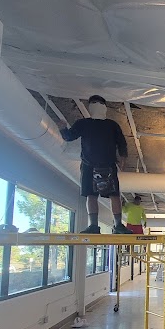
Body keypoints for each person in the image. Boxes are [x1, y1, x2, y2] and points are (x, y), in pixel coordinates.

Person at [59, 95, 132, 234]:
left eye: (99, 103)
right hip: (89, 164)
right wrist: (63, 128)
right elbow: (69, 136)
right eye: (94, 103)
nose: (97, 105)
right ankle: (94, 225)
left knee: (114, 195)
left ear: (104, 107)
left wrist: (123, 157)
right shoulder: (84, 123)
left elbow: (122, 142)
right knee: (91, 195)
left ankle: (118, 225)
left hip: (108, 165)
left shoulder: (112, 125)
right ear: (90, 107)